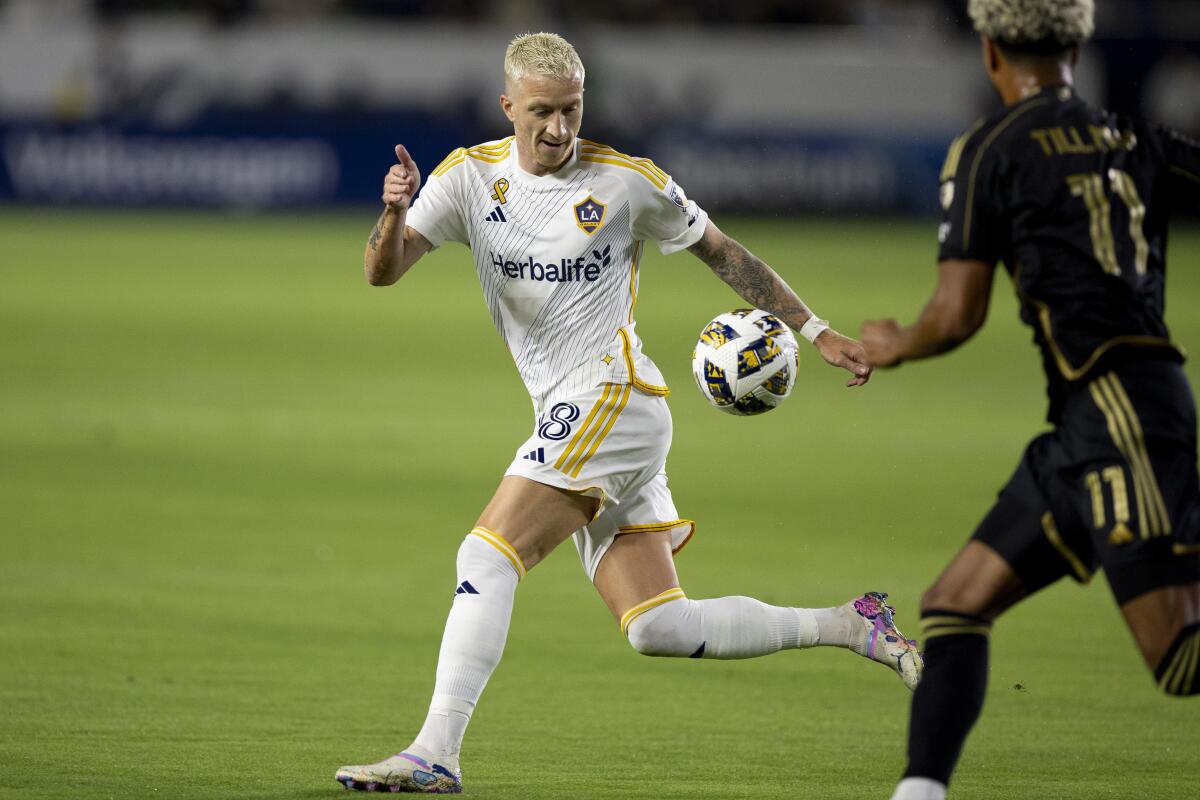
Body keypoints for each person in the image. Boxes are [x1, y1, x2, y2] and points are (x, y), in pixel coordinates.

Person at [334, 31, 923, 794]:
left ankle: (435, 753)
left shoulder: (626, 181)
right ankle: (852, 624)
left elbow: (723, 252)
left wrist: (817, 331)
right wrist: (392, 213)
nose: (558, 129)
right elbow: (384, 272)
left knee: (487, 554)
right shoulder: (467, 180)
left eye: (572, 110)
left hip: (613, 395)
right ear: (507, 106)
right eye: (541, 112)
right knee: (658, 628)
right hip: (586, 409)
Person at [860, 2, 1200, 799]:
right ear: (1078, 45)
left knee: (1179, 662)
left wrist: (891, 343)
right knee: (953, 603)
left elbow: (955, 316)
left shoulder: (990, 149)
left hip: (1121, 416)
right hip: (1092, 420)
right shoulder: (1134, 137)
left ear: (989, 52)